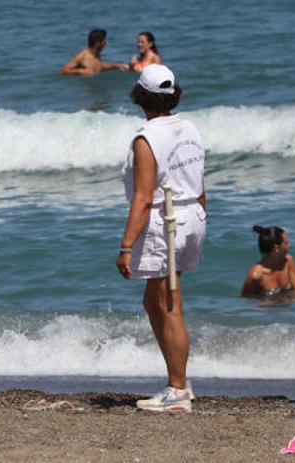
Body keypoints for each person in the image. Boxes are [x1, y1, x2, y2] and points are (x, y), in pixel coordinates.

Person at [117, 64, 206, 413]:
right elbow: (200, 184)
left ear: (141, 95)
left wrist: (126, 245)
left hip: (165, 220)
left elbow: (142, 197)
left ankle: (178, 389)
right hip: (192, 216)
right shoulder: (190, 127)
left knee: (168, 305)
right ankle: (179, 377)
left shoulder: (147, 137)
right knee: (159, 301)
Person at [240, 225, 295, 298]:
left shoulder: (288, 261)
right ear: (276, 248)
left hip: (287, 304)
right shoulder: (256, 275)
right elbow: (247, 300)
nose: (289, 245)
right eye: (286, 243)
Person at [59, 28, 128, 76]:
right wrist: (80, 72)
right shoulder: (82, 56)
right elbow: (63, 71)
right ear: (98, 43)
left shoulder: (97, 54)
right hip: (84, 93)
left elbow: (100, 66)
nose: (106, 44)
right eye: (104, 42)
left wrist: (116, 66)